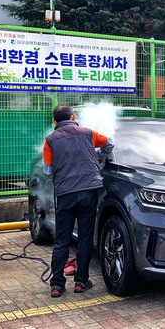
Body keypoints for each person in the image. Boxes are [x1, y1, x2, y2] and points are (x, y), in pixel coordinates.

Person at [43, 105, 113, 297]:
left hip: (65, 194)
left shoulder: (50, 140)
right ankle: (81, 282)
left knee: (62, 240)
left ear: (55, 122)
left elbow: (47, 171)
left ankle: (57, 285)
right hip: (88, 191)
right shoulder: (88, 133)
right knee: (85, 238)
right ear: (73, 117)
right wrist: (100, 156)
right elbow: (110, 142)